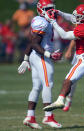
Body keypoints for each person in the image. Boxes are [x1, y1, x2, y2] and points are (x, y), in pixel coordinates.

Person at [17, 0, 62, 129]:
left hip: (35, 56)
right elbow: (35, 44)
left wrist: (26, 58)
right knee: (48, 84)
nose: (51, 11)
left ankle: (30, 116)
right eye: (48, 9)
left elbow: (32, 41)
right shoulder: (42, 22)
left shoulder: (38, 19)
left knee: (37, 86)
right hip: (41, 56)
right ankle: (48, 116)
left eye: (52, 8)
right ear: (41, 10)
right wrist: (49, 55)